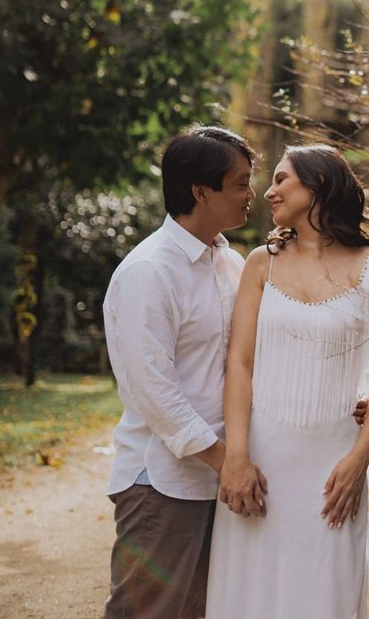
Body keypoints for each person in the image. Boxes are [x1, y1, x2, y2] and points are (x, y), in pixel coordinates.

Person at [206, 144, 369, 619]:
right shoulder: (261, 262)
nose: (268, 191)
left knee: (323, 596)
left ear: (317, 184)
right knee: (248, 596)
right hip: (261, 460)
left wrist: (360, 459)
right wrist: (236, 457)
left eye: (281, 179)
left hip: (333, 465)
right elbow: (240, 363)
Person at [102, 124, 256, 619]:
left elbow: (249, 358)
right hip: (162, 483)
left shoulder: (229, 264)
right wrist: (224, 460)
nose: (252, 194)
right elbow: (153, 390)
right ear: (200, 191)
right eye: (240, 182)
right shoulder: (150, 271)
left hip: (218, 479)